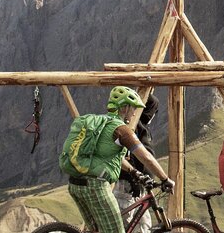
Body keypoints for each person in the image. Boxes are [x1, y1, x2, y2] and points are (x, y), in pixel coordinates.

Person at [61, 86, 174, 233]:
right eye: (133, 108)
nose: (134, 113)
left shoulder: (102, 123)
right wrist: (165, 179)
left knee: (96, 230)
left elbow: (113, 157)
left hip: (75, 185)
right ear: (125, 107)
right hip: (96, 187)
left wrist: (133, 171)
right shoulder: (122, 130)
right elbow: (146, 157)